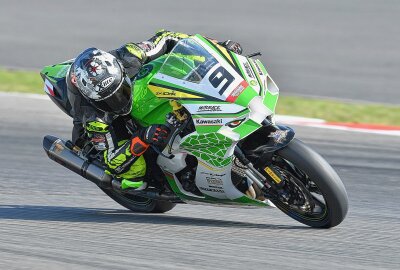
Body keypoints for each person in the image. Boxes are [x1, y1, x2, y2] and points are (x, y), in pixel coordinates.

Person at [66, 30, 243, 190]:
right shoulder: (93, 117)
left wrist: (217, 46)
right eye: (109, 100)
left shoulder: (130, 55)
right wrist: (143, 137)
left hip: (144, 92)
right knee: (134, 174)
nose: (118, 101)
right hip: (115, 125)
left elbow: (168, 37)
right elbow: (112, 161)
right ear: (93, 99)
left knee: (189, 66)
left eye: (120, 91)